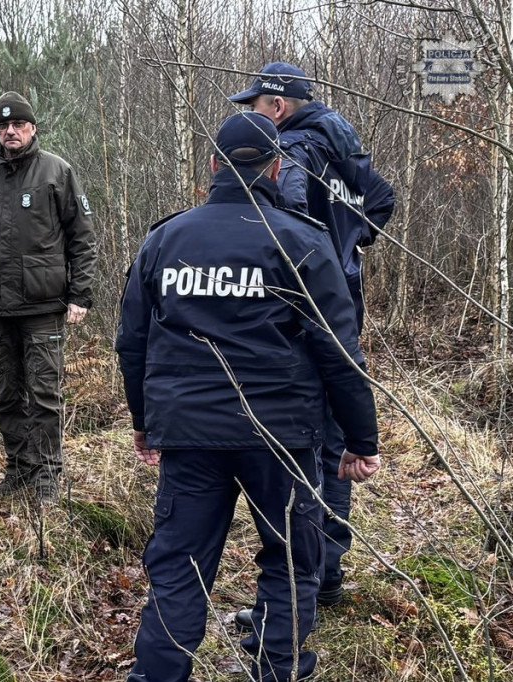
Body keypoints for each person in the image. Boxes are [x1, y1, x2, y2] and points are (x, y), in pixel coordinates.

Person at [117, 112, 381, 682]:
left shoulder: (165, 239)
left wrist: (145, 421)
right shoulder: (301, 239)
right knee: (289, 563)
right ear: (277, 166)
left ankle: (158, 674)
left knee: (179, 568)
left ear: (212, 165)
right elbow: (339, 349)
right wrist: (361, 438)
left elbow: (132, 341)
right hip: (280, 438)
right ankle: (278, 669)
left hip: (189, 435)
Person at [229, 62, 395, 612]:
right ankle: (328, 568)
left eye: (255, 105)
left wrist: (319, 257)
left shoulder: (296, 153)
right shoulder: (344, 144)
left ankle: (312, 573)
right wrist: (352, 247)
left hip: (306, 311)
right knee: (335, 437)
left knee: (312, 441)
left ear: (277, 106)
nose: (252, 114)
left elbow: (290, 225)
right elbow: (382, 199)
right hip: (344, 302)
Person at [0, 91, 96, 504]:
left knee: (45, 393)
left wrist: (79, 295)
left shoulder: (57, 172)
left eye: (18, 125)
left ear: (33, 128)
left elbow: (82, 239)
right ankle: (19, 467)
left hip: (43, 306)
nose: (11, 131)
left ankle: (48, 475)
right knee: (7, 395)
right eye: (3, 126)